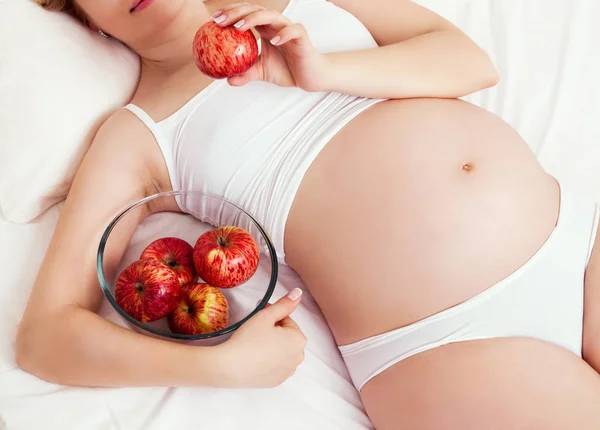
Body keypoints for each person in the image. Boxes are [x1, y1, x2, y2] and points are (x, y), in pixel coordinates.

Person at [16, 0, 600, 428]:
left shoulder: (295, 9)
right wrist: (225, 368)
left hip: (575, 238)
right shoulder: (138, 133)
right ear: (85, 17)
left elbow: (468, 61)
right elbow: (45, 337)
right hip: (449, 346)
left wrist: (320, 71)